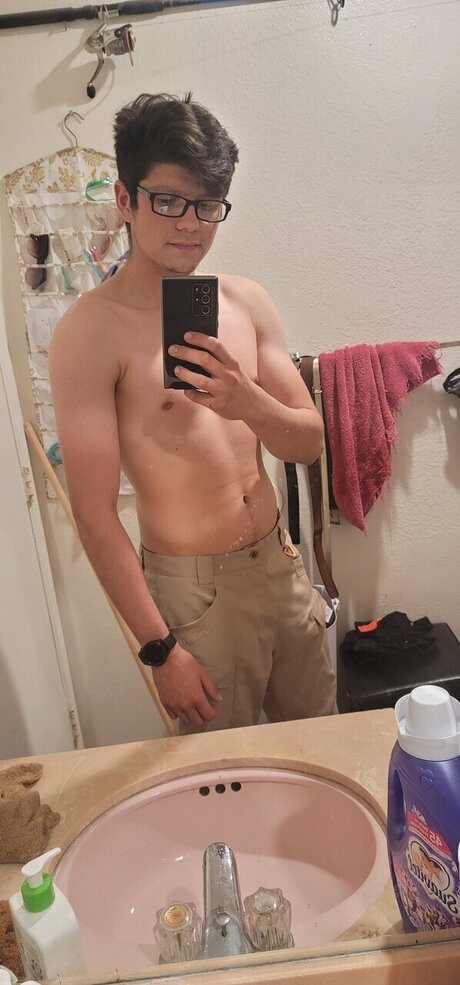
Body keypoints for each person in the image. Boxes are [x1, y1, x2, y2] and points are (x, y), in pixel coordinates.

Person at [50, 92, 336, 734]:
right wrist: (159, 649)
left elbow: (309, 445)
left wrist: (247, 402)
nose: (190, 224)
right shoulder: (89, 333)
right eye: (168, 201)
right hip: (194, 594)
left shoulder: (245, 302)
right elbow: (94, 515)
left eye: (208, 205)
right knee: (222, 773)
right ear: (125, 200)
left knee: (318, 743)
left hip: (280, 562)